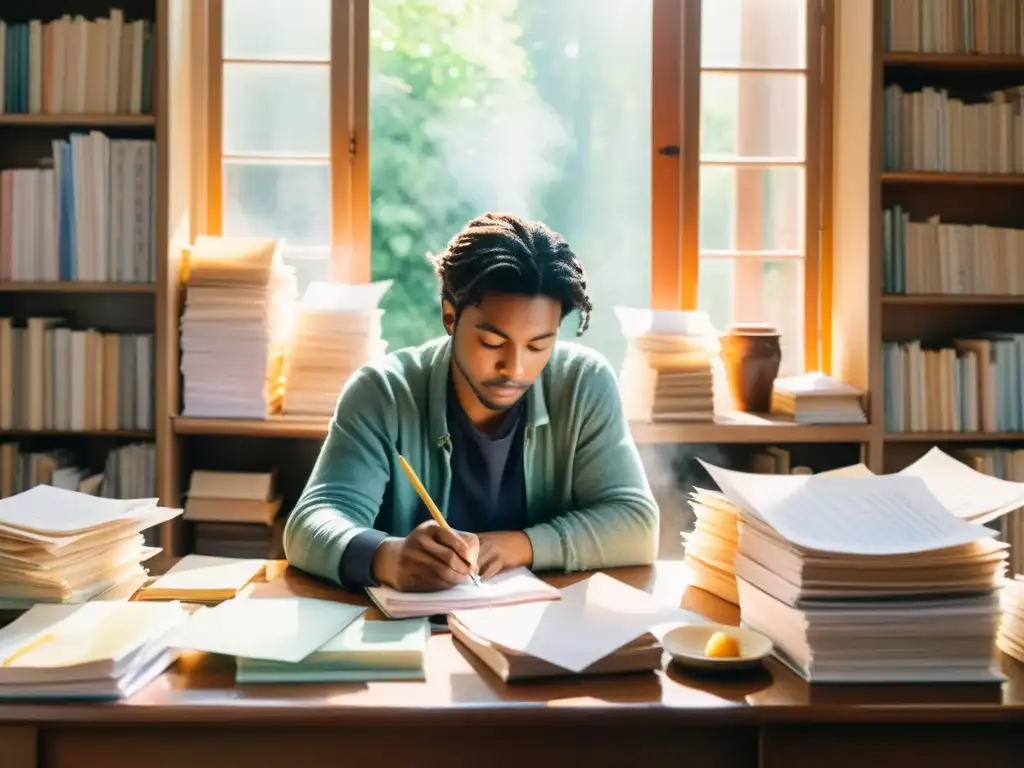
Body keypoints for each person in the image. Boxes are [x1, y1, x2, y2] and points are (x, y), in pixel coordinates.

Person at [283, 212, 658, 592]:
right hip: (410, 637)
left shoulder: (583, 383)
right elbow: (310, 523)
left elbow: (636, 525)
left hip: (545, 633)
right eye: (492, 343)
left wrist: (519, 546)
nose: (514, 368)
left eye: (537, 346)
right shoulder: (383, 392)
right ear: (450, 316)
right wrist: (389, 557)